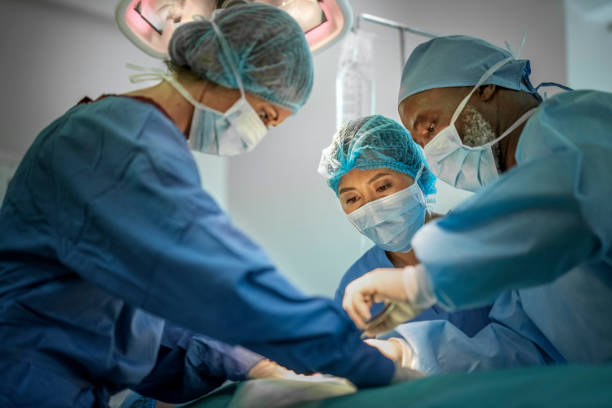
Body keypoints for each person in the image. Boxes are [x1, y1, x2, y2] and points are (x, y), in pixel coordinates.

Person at [0, 5, 418, 408]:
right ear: (231, 75)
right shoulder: (118, 145)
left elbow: (146, 322)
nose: (260, 133)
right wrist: (362, 362)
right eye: (267, 116)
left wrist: (255, 362)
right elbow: (226, 282)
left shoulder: (131, 139)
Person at [342, 35, 612, 373]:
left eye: (430, 125)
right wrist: (408, 354)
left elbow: (575, 201)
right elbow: (526, 344)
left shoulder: (572, 124)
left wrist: (423, 280)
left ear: (486, 89)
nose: (433, 147)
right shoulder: (516, 194)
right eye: (421, 140)